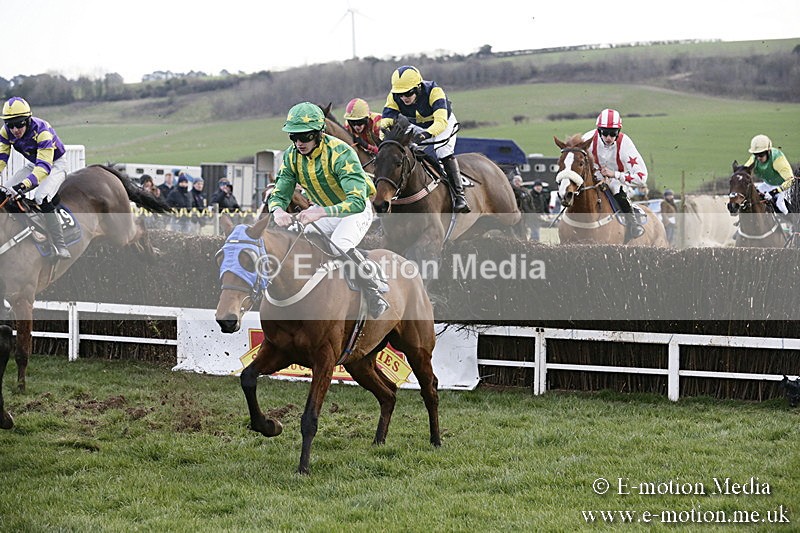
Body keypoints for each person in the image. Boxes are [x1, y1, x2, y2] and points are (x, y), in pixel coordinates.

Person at [267, 102, 388, 318]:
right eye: (293, 137)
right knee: (295, 236)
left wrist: (320, 212)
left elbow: (357, 202)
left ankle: (374, 291)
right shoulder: (291, 156)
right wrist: (277, 210)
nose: (298, 143)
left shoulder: (342, 154)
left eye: (304, 137)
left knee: (339, 245)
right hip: (324, 210)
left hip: (354, 210)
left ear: (318, 133)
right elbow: (280, 191)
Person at [380, 65, 469, 213]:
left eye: (408, 93)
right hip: (417, 125)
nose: (404, 98)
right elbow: (386, 120)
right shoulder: (394, 96)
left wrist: (424, 135)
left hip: (443, 123)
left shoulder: (435, 92)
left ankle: (460, 197)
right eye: (400, 94)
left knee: (442, 151)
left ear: (418, 87)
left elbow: (440, 123)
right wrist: (385, 139)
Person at [0, 97, 71, 259]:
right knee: (7, 192)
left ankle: (60, 244)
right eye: (10, 125)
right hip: (34, 163)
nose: (15, 129)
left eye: (20, 124)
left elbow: (45, 167)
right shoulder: (5, 132)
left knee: (41, 197)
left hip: (54, 164)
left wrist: (25, 185)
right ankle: (25, 228)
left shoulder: (42, 131)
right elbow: (1, 158)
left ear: (28, 120)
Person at [581, 108, 648, 242]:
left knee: (618, 192)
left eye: (613, 133)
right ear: (599, 130)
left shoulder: (625, 143)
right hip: (592, 178)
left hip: (616, 181)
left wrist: (615, 175)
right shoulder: (587, 139)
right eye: (604, 133)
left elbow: (641, 177)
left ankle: (633, 224)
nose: (608, 138)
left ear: (619, 132)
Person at [743, 134, 796, 218]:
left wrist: (774, 192)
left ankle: (793, 225)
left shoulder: (777, 159)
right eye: (756, 154)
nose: (758, 158)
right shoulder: (755, 158)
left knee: (780, 205)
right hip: (768, 184)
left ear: (768, 151)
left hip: (784, 186)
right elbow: (744, 172)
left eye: (761, 154)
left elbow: (791, 180)